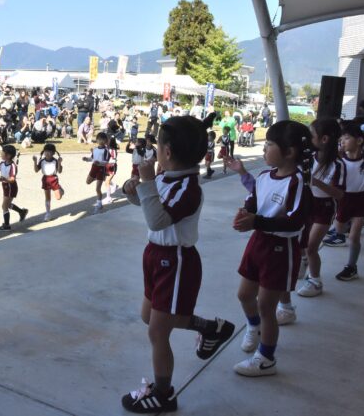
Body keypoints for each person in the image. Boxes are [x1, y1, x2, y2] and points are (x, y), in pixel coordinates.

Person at [120, 114, 234, 413]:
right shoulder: (165, 177)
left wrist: (145, 183)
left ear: (167, 152)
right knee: (151, 317)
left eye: (157, 146)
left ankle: (163, 392)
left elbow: (158, 221)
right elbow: (150, 208)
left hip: (177, 260)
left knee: (158, 331)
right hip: (156, 256)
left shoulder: (190, 188)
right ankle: (211, 328)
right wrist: (133, 189)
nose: (155, 151)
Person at [231, 120, 312, 377]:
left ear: (289, 152)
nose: (264, 150)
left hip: (281, 247)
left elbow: (295, 221)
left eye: (269, 145)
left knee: (267, 306)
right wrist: (246, 214)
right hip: (258, 242)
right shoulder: (265, 176)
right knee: (245, 295)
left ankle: (266, 358)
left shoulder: (298, 182)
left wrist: (257, 221)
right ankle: (253, 326)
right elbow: (255, 202)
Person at [295, 118, 345, 299]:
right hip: (307, 203)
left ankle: (315, 281)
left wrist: (315, 182)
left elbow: (339, 194)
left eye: (311, 135)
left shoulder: (338, 165)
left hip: (324, 207)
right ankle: (303, 263)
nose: (307, 139)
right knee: (301, 241)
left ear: (324, 139)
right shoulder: (308, 157)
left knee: (311, 246)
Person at [321, 122, 364, 283]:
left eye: (346, 138)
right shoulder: (338, 162)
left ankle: (351, 267)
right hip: (342, 199)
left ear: (359, 141)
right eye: (341, 140)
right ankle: (339, 233)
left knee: (354, 237)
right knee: (340, 228)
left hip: (360, 200)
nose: (342, 142)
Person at [0, 144, 28, 231]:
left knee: (4, 206)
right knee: (6, 204)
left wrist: (5, 179)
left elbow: (12, 179)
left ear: (8, 155)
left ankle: (7, 225)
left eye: (2, 152)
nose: (1, 154)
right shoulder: (2, 163)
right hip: (5, 186)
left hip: (11, 186)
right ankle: (22, 212)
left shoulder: (12, 166)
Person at [33, 143, 64, 222]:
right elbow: (36, 170)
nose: (47, 153)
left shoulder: (55, 161)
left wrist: (60, 163)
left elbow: (59, 171)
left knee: (58, 198)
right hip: (45, 179)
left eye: (49, 152)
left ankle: (60, 188)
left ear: (53, 153)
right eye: (45, 151)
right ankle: (48, 213)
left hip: (53, 179)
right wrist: (35, 161)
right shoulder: (42, 161)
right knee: (47, 197)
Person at [83, 131, 110, 214]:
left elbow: (106, 162)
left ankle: (99, 204)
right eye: (99, 139)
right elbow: (92, 158)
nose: (100, 141)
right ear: (97, 140)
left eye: (102, 140)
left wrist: (100, 163)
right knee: (87, 182)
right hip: (94, 168)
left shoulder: (106, 150)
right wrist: (87, 159)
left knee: (97, 188)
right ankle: (98, 179)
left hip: (101, 169)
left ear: (105, 141)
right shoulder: (94, 149)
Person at [102, 136, 119, 205]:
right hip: (107, 165)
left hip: (111, 166)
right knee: (105, 179)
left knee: (107, 182)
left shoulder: (112, 150)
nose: (105, 142)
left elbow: (113, 159)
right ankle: (114, 185)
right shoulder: (107, 148)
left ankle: (108, 198)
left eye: (107, 140)